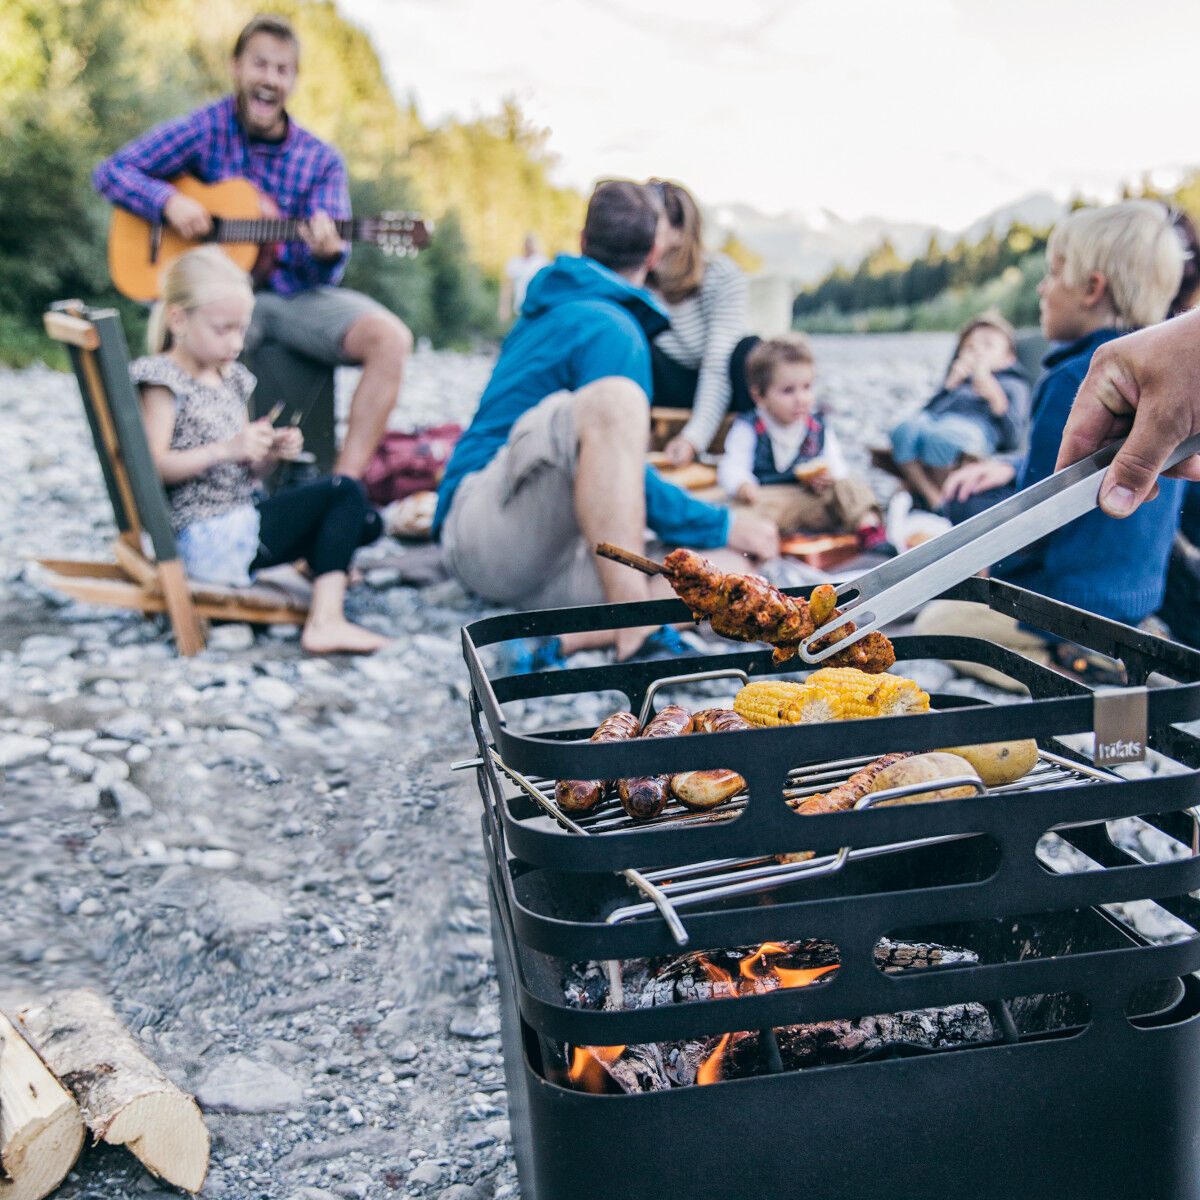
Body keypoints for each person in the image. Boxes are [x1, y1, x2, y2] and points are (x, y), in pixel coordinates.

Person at [433, 180, 779, 662]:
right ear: (655, 252)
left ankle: (576, 636)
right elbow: (628, 470)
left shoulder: (566, 307)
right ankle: (635, 637)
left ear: (581, 241)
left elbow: (613, 478)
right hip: (482, 533)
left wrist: (725, 536)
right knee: (615, 402)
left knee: (734, 571)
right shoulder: (609, 327)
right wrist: (719, 521)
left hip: (535, 553)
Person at [93, 12, 412, 480]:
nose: (269, 79)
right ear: (236, 68)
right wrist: (169, 204)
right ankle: (169, 484)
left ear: (295, 81)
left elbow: (326, 277)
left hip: (292, 297)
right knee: (186, 327)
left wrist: (326, 250)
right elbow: (111, 172)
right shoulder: (204, 128)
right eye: (260, 64)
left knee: (392, 339)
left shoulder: (319, 159)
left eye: (282, 70)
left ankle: (341, 487)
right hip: (219, 301)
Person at [917, 200, 1189, 679]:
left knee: (935, 622)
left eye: (1053, 273)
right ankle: (1125, 650)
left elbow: (1037, 517)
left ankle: (1059, 667)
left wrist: (988, 571)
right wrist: (1013, 463)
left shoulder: (1075, 381)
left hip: (1061, 607)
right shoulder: (1179, 389)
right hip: (1139, 596)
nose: (1042, 288)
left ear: (1091, 289)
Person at [133, 246, 387, 654]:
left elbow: (246, 477)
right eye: (223, 329)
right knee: (344, 493)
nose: (236, 342)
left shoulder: (229, 378)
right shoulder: (165, 379)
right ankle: (325, 621)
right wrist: (227, 449)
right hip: (207, 535)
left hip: (238, 520)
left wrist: (267, 454)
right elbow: (152, 467)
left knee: (367, 521)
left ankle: (319, 573)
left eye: (242, 329)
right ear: (178, 319)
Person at [716, 334, 886, 547]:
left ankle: (868, 528)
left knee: (850, 487)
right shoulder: (750, 427)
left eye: (807, 387)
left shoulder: (816, 426)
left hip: (813, 500)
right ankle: (756, 540)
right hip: (771, 501)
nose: (800, 398)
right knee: (739, 511)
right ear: (759, 395)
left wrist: (829, 477)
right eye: (788, 391)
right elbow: (732, 466)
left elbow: (837, 466)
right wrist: (742, 484)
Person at [647, 180, 758, 466]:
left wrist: (693, 439)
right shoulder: (635, 277)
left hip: (722, 386)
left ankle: (760, 459)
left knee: (751, 352)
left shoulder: (721, 275)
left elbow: (717, 364)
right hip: (665, 387)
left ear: (679, 231)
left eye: (650, 218)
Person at [888, 310, 1031, 510]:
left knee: (943, 437)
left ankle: (943, 499)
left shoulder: (1013, 383)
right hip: (939, 424)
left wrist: (996, 399)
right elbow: (925, 414)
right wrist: (948, 386)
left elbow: (1014, 437)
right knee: (905, 430)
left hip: (973, 433)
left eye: (988, 345)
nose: (978, 352)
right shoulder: (958, 383)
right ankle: (932, 496)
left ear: (1009, 358)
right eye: (970, 348)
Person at [499, 232, 550, 322]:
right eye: (527, 243)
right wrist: (504, 307)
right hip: (519, 309)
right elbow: (508, 287)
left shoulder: (542, 262)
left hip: (536, 310)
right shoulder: (515, 262)